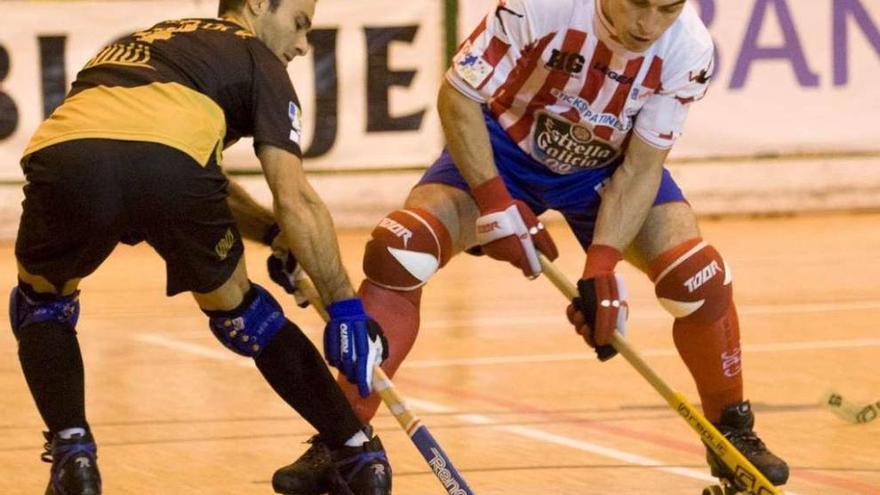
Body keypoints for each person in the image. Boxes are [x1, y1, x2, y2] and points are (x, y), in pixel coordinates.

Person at [282, 0, 790, 491]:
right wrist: (494, 201)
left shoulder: (689, 49)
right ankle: (342, 440)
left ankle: (732, 434)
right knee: (400, 249)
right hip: (500, 151)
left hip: (606, 168)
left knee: (698, 276)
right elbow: (458, 96)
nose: (648, 23)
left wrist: (602, 268)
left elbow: (641, 168)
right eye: (639, 3)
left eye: (669, 8)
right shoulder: (539, 5)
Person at [9, 1, 393, 494]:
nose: (301, 45)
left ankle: (73, 457)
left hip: (67, 158)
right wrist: (344, 304)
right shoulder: (257, 57)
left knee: (41, 306)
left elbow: (155, 152)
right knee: (244, 314)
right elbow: (293, 196)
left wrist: (273, 236)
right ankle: (357, 454)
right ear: (257, 5)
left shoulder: (144, 42)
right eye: (299, 24)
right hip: (172, 170)